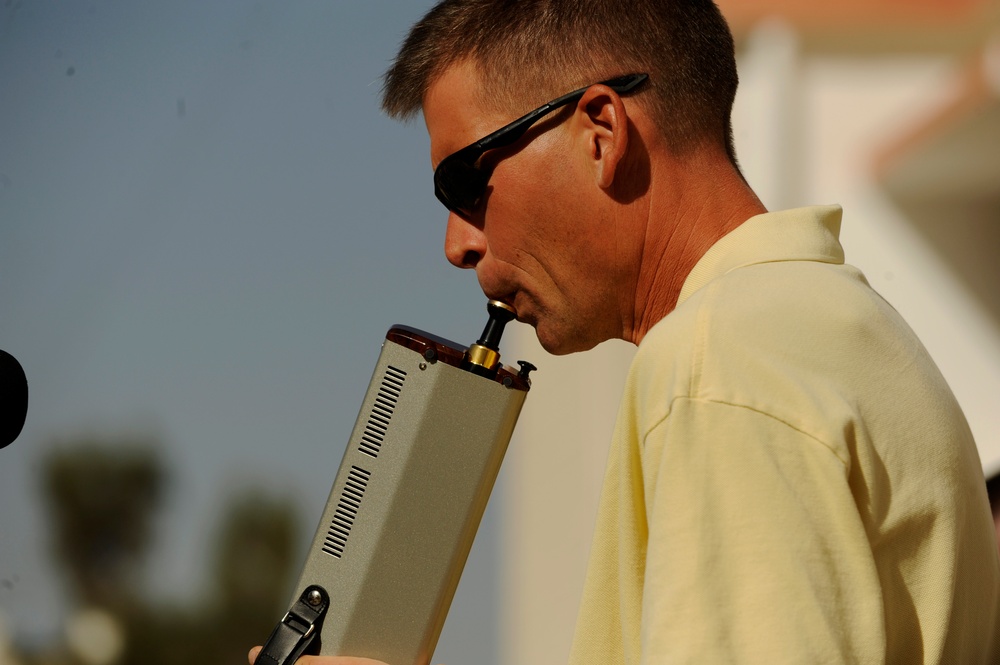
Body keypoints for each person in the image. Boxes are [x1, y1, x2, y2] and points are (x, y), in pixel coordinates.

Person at [251, 0, 1000, 662]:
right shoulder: (851, 332)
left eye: (467, 183)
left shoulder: (719, 362)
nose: (457, 242)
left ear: (602, 130)